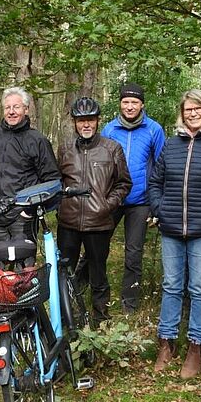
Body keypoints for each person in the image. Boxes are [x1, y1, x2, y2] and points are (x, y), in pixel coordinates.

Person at [148, 90, 201, 377]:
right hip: (170, 227)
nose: (193, 113)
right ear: (181, 114)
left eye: (198, 108)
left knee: (198, 288)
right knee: (171, 285)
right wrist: (158, 208)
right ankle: (166, 341)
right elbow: (156, 181)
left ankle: (196, 345)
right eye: (188, 110)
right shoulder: (171, 146)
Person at [57, 97, 132, 324]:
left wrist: (106, 205)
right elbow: (55, 181)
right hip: (68, 223)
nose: (86, 125)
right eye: (81, 121)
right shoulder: (65, 149)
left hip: (98, 223)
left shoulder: (111, 148)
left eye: (90, 120)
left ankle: (101, 319)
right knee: (66, 273)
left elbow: (124, 183)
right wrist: (62, 203)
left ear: (98, 121)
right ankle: (67, 318)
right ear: (74, 123)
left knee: (98, 273)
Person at [0, 86, 60, 264]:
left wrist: (31, 209)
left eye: (16, 107)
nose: (11, 112)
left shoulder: (38, 140)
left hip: (23, 216)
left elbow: (51, 179)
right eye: (7, 107)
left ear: (26, 109)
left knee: (24, 271)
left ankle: (24, 292)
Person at [100, 82, 166, 313]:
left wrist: (156, 205)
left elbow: (160, 166)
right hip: (113, 199)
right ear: (120, 104)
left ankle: (130, 303)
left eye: (134, 102)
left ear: (142, 105)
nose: (129, 106)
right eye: (125, 102)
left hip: (140, 201)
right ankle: (84, 290)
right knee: (97, 245)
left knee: (134, 251)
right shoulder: (109, 130)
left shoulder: (154, 130)